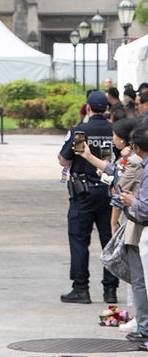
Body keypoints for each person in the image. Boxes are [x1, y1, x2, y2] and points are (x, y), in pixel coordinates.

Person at [58, 89, 118, 303]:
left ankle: (81, 289)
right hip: (109, 192)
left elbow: (63, 160)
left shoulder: (80, 131)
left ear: (89, 108)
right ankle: (110, 289)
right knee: (109, 240)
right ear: (107, 108)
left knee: (79, 240)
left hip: (83, 192)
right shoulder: (115, 130)